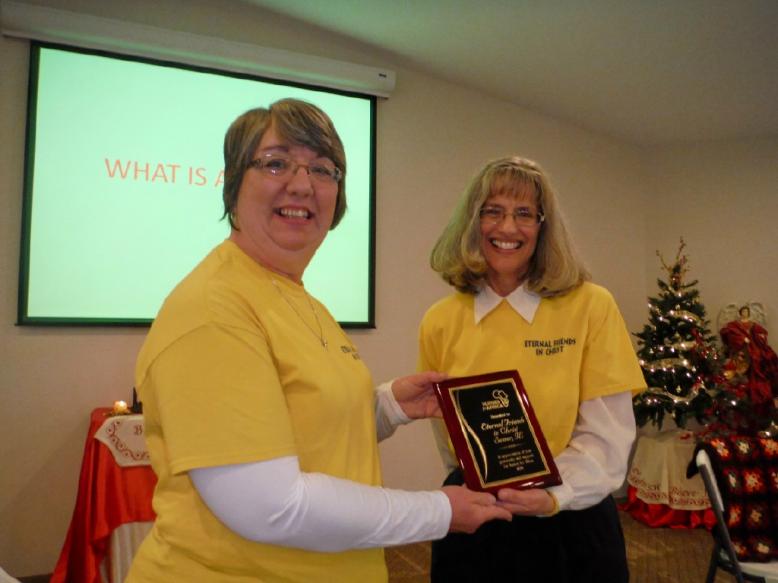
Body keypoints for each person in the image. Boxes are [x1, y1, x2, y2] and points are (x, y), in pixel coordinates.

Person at [126, 98, 511, 583]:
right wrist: (438, 511)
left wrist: (390, 405)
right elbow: (269, 507)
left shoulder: (297, 297)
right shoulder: (214, 309)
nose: (303, 184)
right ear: (232, 183)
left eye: (324, 170)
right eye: (276, 163)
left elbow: (300, 428)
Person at [418, 156, 647, 582]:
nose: (507, 228)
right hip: (477, 518)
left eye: (524, 214)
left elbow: (609, 437)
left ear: (543, 227)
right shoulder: (440, 319)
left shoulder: (592, 306)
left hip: (569, 520)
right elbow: (449, 438)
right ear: (472, 222)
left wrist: (553, 495)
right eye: (493, 211)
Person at [720, 305, 778, 422]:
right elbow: (728, 333)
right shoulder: (735, 325)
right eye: (744, 312)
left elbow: (762, 332)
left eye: (747, 312)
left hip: (753, 345)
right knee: (748, 357)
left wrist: (758, 337)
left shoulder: (752, 324)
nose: (745, 314)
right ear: (741, 313)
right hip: (742, 348)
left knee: (760, 356)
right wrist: (742, 339)